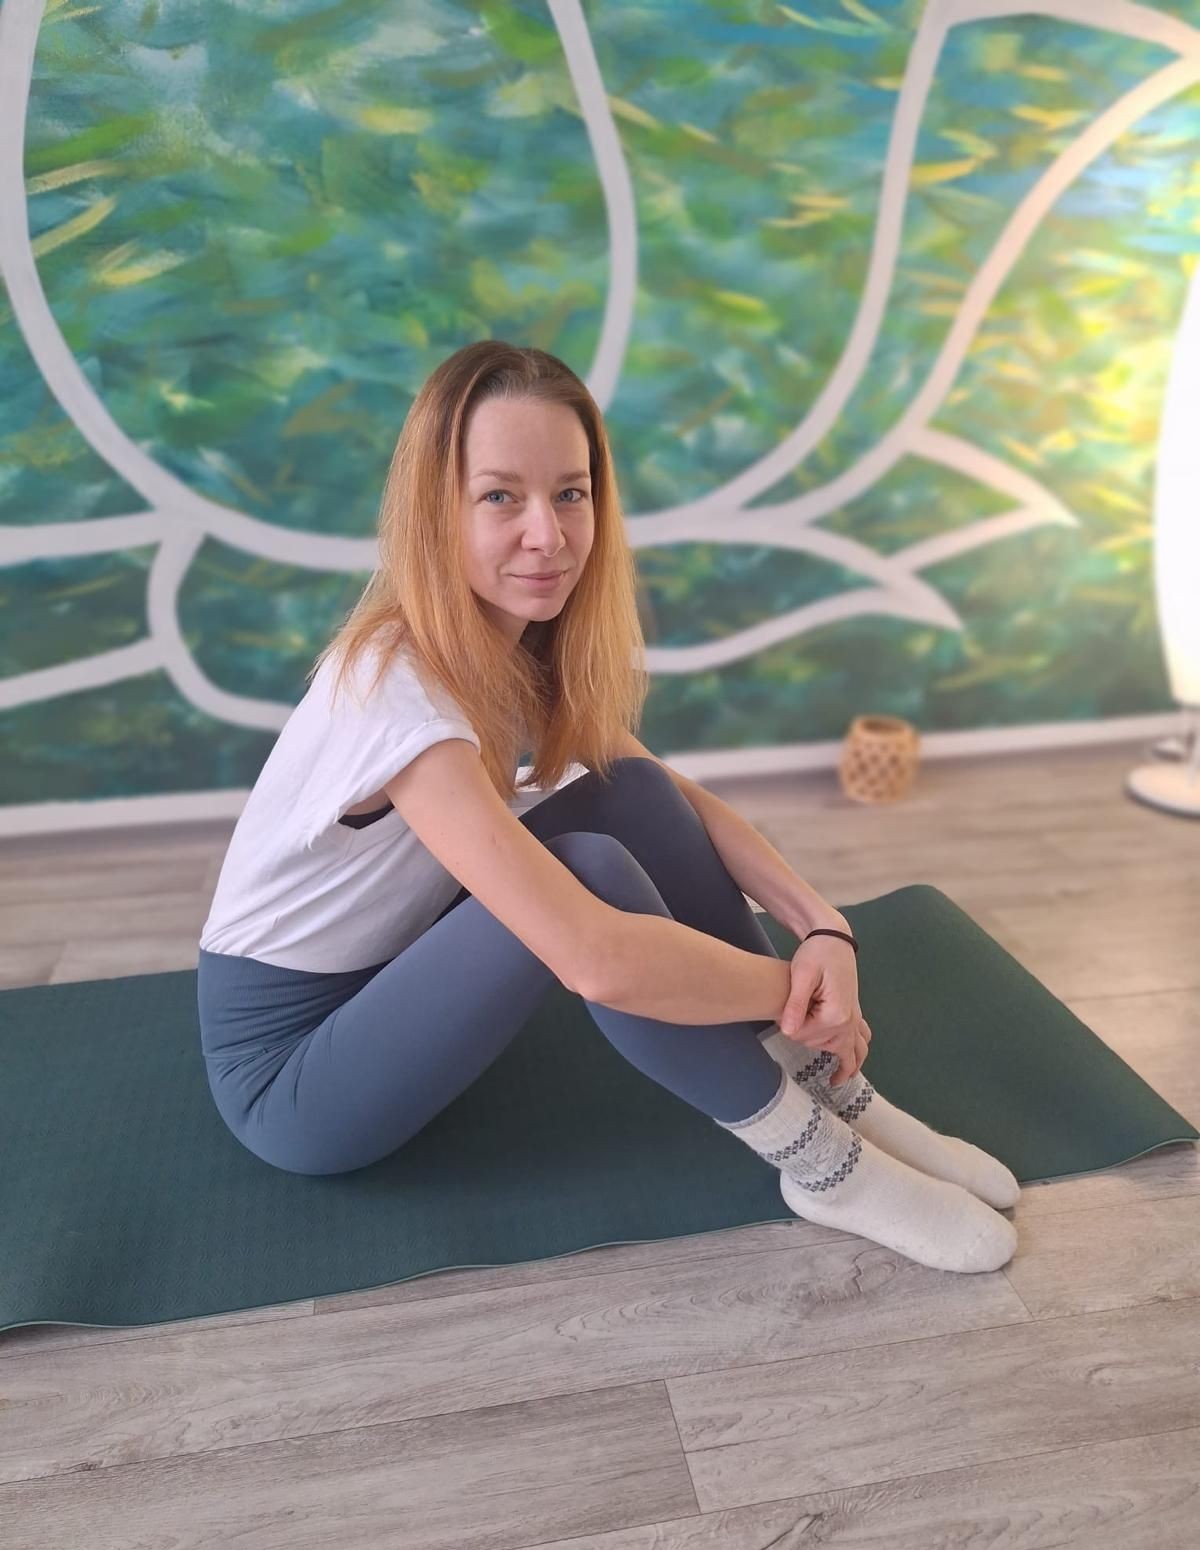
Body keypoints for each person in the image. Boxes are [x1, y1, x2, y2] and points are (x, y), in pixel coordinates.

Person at [196, 339, 1019, 1274]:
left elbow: (673, 799)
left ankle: (834, 1091)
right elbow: (596, 963)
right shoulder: (395, 691)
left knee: (629, 792)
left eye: (571, 493)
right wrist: (795, 997)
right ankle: (822, 1164)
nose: (546, 534)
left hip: (392, 971)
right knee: (586, 885)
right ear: (438, 510)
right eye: (500, 496)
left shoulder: (511, 647)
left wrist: (823, 932)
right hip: (294, 1076)